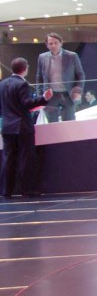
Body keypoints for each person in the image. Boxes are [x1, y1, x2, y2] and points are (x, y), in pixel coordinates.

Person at [1, 58, 54, 198]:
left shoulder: (2, 84)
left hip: (6, 127)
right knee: (25, 158)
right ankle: (27, 189)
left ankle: (6, 190)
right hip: (22, 127)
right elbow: (27, 104)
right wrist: (44, 98)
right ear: (25, 69)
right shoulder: (22, 84)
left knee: (8, 158)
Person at [37, 32, 85, 122]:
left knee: (69, 123)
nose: (53, 46)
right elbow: (39, 76)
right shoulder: (42, 57)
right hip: (50, 95)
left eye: (56, 43)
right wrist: (40, 96)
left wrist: (78, 91)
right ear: (47, 45)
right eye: (50, 43)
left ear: (61, 43)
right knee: (52, 125)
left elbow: (80, 75)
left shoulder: (72, 56)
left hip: (68, 94)